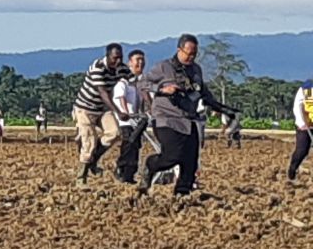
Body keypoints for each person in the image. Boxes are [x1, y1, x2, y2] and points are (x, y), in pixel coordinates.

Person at [139, 34, 236, 196]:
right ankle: (151, 165)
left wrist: (223, 109)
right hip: (165, 118)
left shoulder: (196, 70)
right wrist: (162, 89)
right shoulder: (164, 67)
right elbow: (142, 83)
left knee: (191, 160)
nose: (191, 57)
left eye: (194, 54)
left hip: (188, 119)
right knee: (173, 155)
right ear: (179, 50)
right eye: (188, 53)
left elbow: (204, 94)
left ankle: (182, 194)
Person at [72, 43, 130, 185]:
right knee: (89, 141)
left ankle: (94, 160)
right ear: (108, 56)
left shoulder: (121, 68)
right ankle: (81, 177)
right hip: (84, 109)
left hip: (101, 109)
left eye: (120, 58)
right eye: (115, 58)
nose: (117, 61)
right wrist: (118, 111)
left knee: (114, 133)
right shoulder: (98, 68)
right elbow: (103, 92)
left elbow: (133, 80)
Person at [112, 49, 147, 184]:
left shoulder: (140, 82)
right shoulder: (123, 83)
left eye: (142, 59)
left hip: (137, 119)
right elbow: (121, 99)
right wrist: (125, 113)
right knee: (129, 144)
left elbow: (144, 99)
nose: (141, 62)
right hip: (126, 120)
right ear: (130, 63)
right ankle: (122, 168)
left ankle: (130, 174)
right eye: (137, 59)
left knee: (135, 147)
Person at [288, 81, 313, 183]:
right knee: (302, 150)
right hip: (305, 123)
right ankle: (292, 169)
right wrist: (302, 123)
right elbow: (301, 107)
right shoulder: (308, 88)